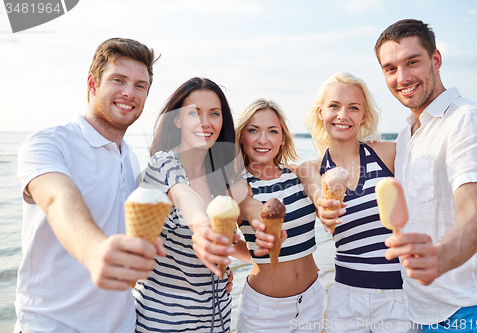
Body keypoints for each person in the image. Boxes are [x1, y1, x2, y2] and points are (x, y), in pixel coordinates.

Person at [15, 38, 161, 332]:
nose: (129, 93)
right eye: (118, 80)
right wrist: (94, 251)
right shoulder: (49, 143)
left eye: (140, 85)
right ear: (92, 84)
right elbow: (58, 198)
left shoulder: (131, 158)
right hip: (52, 324)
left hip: (122, 324)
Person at [375, 19, 477, 330]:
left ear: (436, 59)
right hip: (421, 313)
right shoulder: (407, 135)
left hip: (471, 312)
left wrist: (440, 256)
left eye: (412, 62)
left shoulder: (467, 119)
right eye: (390, 68)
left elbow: (475, 215)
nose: (402, 77)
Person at [134, 77, 264, 332]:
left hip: (217, 319)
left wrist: (269, 252)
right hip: (164, 321)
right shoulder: (162, 165)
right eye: (194, 113)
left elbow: (230, 243)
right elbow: (184, 197)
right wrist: (202, 229)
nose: (205, 122)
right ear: (178, 119)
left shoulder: (223, 177)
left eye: (214, 114)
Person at [300, 72, 415, 332]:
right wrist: (323, 205)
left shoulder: (387, 153)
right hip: (346, 299)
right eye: (334, 106)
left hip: (398, 297)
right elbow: (317, 194)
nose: (343, 115)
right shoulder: (311, 169)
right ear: (321, 112)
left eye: (353, 108)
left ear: (363, 116)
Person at [234, 99, 324, 332]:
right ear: (241, 137)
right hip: (264, 310)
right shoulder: (238, 186)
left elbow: (342, 153)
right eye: (253, 130)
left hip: (312, 299)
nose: (263, 140)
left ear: (282, 137)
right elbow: (227, 241)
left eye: (272, 131)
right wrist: (259, 254)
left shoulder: (299, 173)